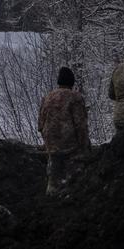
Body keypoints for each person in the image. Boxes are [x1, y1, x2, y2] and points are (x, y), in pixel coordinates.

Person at [38, 67, 90, 195]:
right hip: (70, 144)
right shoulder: (75, 97)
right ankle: (71, 197)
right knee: (74, 180)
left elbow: (40, 124)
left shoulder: (48, 97)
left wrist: (47, 140)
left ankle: (51, 196)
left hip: (52, 144)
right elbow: (80, 125)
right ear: (72, 82)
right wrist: (84, 145)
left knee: (53, 175)